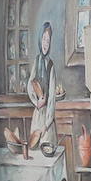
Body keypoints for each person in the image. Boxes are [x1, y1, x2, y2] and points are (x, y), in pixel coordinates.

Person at [27, 21, 62, 150]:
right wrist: (37, 102)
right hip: (37, 114)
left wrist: (46, 124)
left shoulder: (51, 65)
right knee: (34, 148)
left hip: (47, 116)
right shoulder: (37, 61)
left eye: (48, 40)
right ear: (39, 40)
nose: (45, 44)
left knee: (47, 148)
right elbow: (30, 84)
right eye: (44, 39)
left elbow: (52, 97)